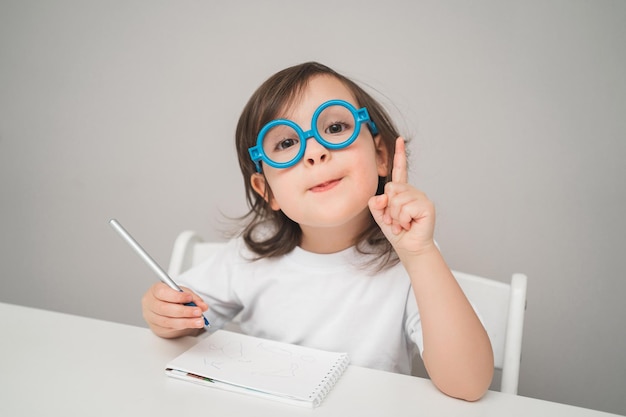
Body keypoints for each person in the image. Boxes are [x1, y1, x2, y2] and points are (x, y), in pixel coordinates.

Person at [141, 62, 494, 401]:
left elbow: (469, 384)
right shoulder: (249, 255)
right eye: (285, 144)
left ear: (381, 155)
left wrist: (420, 254)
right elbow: (184, 318)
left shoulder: (410, 261)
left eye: (335, 128)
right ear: (267, 191)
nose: (315, 152)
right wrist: (164, 313)